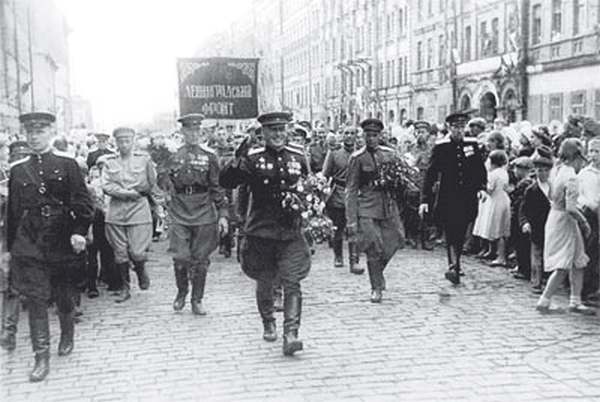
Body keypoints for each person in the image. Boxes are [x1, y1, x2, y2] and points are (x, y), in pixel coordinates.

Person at [4, 112, 94, 382]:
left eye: (40, 132)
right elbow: (13, 212)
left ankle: (67, 333)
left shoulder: (68, 165)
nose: (34, 137)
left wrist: (79, 232)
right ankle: (40, 357)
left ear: (51, 133)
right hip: (30, 241)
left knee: (64, 295)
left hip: (61, 238)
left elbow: (83, 204)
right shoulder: (18, 169)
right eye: (30, 133)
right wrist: (9, 250)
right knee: (36, 298)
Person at [219, 111, 310, 356]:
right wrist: (240, 154)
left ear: (287, 130)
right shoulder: (253, 157)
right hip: (262, 230)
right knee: (265, 279)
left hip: (290, 230)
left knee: (292, 280)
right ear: (264, 133)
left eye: (282, 130)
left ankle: (291, 333)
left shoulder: (298, 155)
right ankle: (268, 321)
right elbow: (227, 181)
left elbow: (308, 187)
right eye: (272, 131)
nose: (278, 135)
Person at [157, 113, 228, 315]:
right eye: (189, 130)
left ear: (201, 131)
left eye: (196, 130)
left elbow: (217, 187)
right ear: (183, 132)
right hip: (179, 209)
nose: (193, 134)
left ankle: (197, 299)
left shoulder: (210, 156)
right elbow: (162, 184)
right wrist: (162, 170)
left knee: (201, 258)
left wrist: (223, 213)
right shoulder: (172, 155)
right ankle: (182, 292)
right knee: (180, 256)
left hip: (204, 209)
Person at [419, 112, 487, 285]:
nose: (459, 130)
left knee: (462, 229)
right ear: (449, 128)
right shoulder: (441, 147)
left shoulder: (472, 144)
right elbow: (431, 174)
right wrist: (425, 199)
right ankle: (453, 265)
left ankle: (457, 262)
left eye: (461, 127)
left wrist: (481, 187)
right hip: (448, 197)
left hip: (467, 196)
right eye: (455, 127)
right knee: (451, 230)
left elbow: (480, 169)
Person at [345, 118, 404, 303]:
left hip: (387, 206)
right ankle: (376, 287)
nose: (371, 139)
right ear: (363, 136)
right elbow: (351, 189)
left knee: (395, 240)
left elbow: (399, 180)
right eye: (368, 135)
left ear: (381, 136)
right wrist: (351, 219)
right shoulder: (357, 158)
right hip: (367, 207)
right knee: (373, 247)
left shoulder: (390, 154)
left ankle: (378, 272)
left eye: (375, 135)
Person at [536, 138, 594, 315]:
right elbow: (570, 207)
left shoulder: (557, 170)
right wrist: (584, 221)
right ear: (576, 157)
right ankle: (544, 301)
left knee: (578, 260)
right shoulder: (571, 177)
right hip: (564, 220)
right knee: (563, 263)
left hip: (556, 216)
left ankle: (575, 301)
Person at [102, 127, 160, 303]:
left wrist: (144, 194)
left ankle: (141, 270)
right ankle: (125, 287)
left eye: (128, 140)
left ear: (133, 141)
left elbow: (152, 182)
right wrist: (127, 193)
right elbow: (106, 185)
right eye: (121, 141)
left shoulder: (144, 160)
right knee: (120, 253)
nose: (124, 144)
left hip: (138, 211)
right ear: (116, 142)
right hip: (116, 212)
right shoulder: (108, 162)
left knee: (137, 252)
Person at [322, 126, 363, 274]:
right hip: (338, 193)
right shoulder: (334, 153)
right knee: (338, 228)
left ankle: (355, 259)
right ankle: (338, 256)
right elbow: (325, 174)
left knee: (354, 228)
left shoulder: (361, 154)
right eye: (346, 133)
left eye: (352, 133)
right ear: (342, 135)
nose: (349, 136)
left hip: (356, 194)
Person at [520, 146, 553, 294]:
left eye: (546, 170)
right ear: (536, 171)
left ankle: (549, 280)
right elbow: (523, 209)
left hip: (552, 226)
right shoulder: (531, 190)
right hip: (537, 225)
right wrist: (525, 222)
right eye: (540, 170)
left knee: (549, 254)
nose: (543, 173)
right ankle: (536, 282)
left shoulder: (554, 187)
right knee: (536, 254)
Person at [472, 150, 511, 267]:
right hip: (502, 199)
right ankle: (492, 251)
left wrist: (481, 187)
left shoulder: (493, 174)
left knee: (498, 228)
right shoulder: (503, 172)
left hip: (496, 200)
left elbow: (490, 189)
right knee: (495, 226)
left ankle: (501, 256)